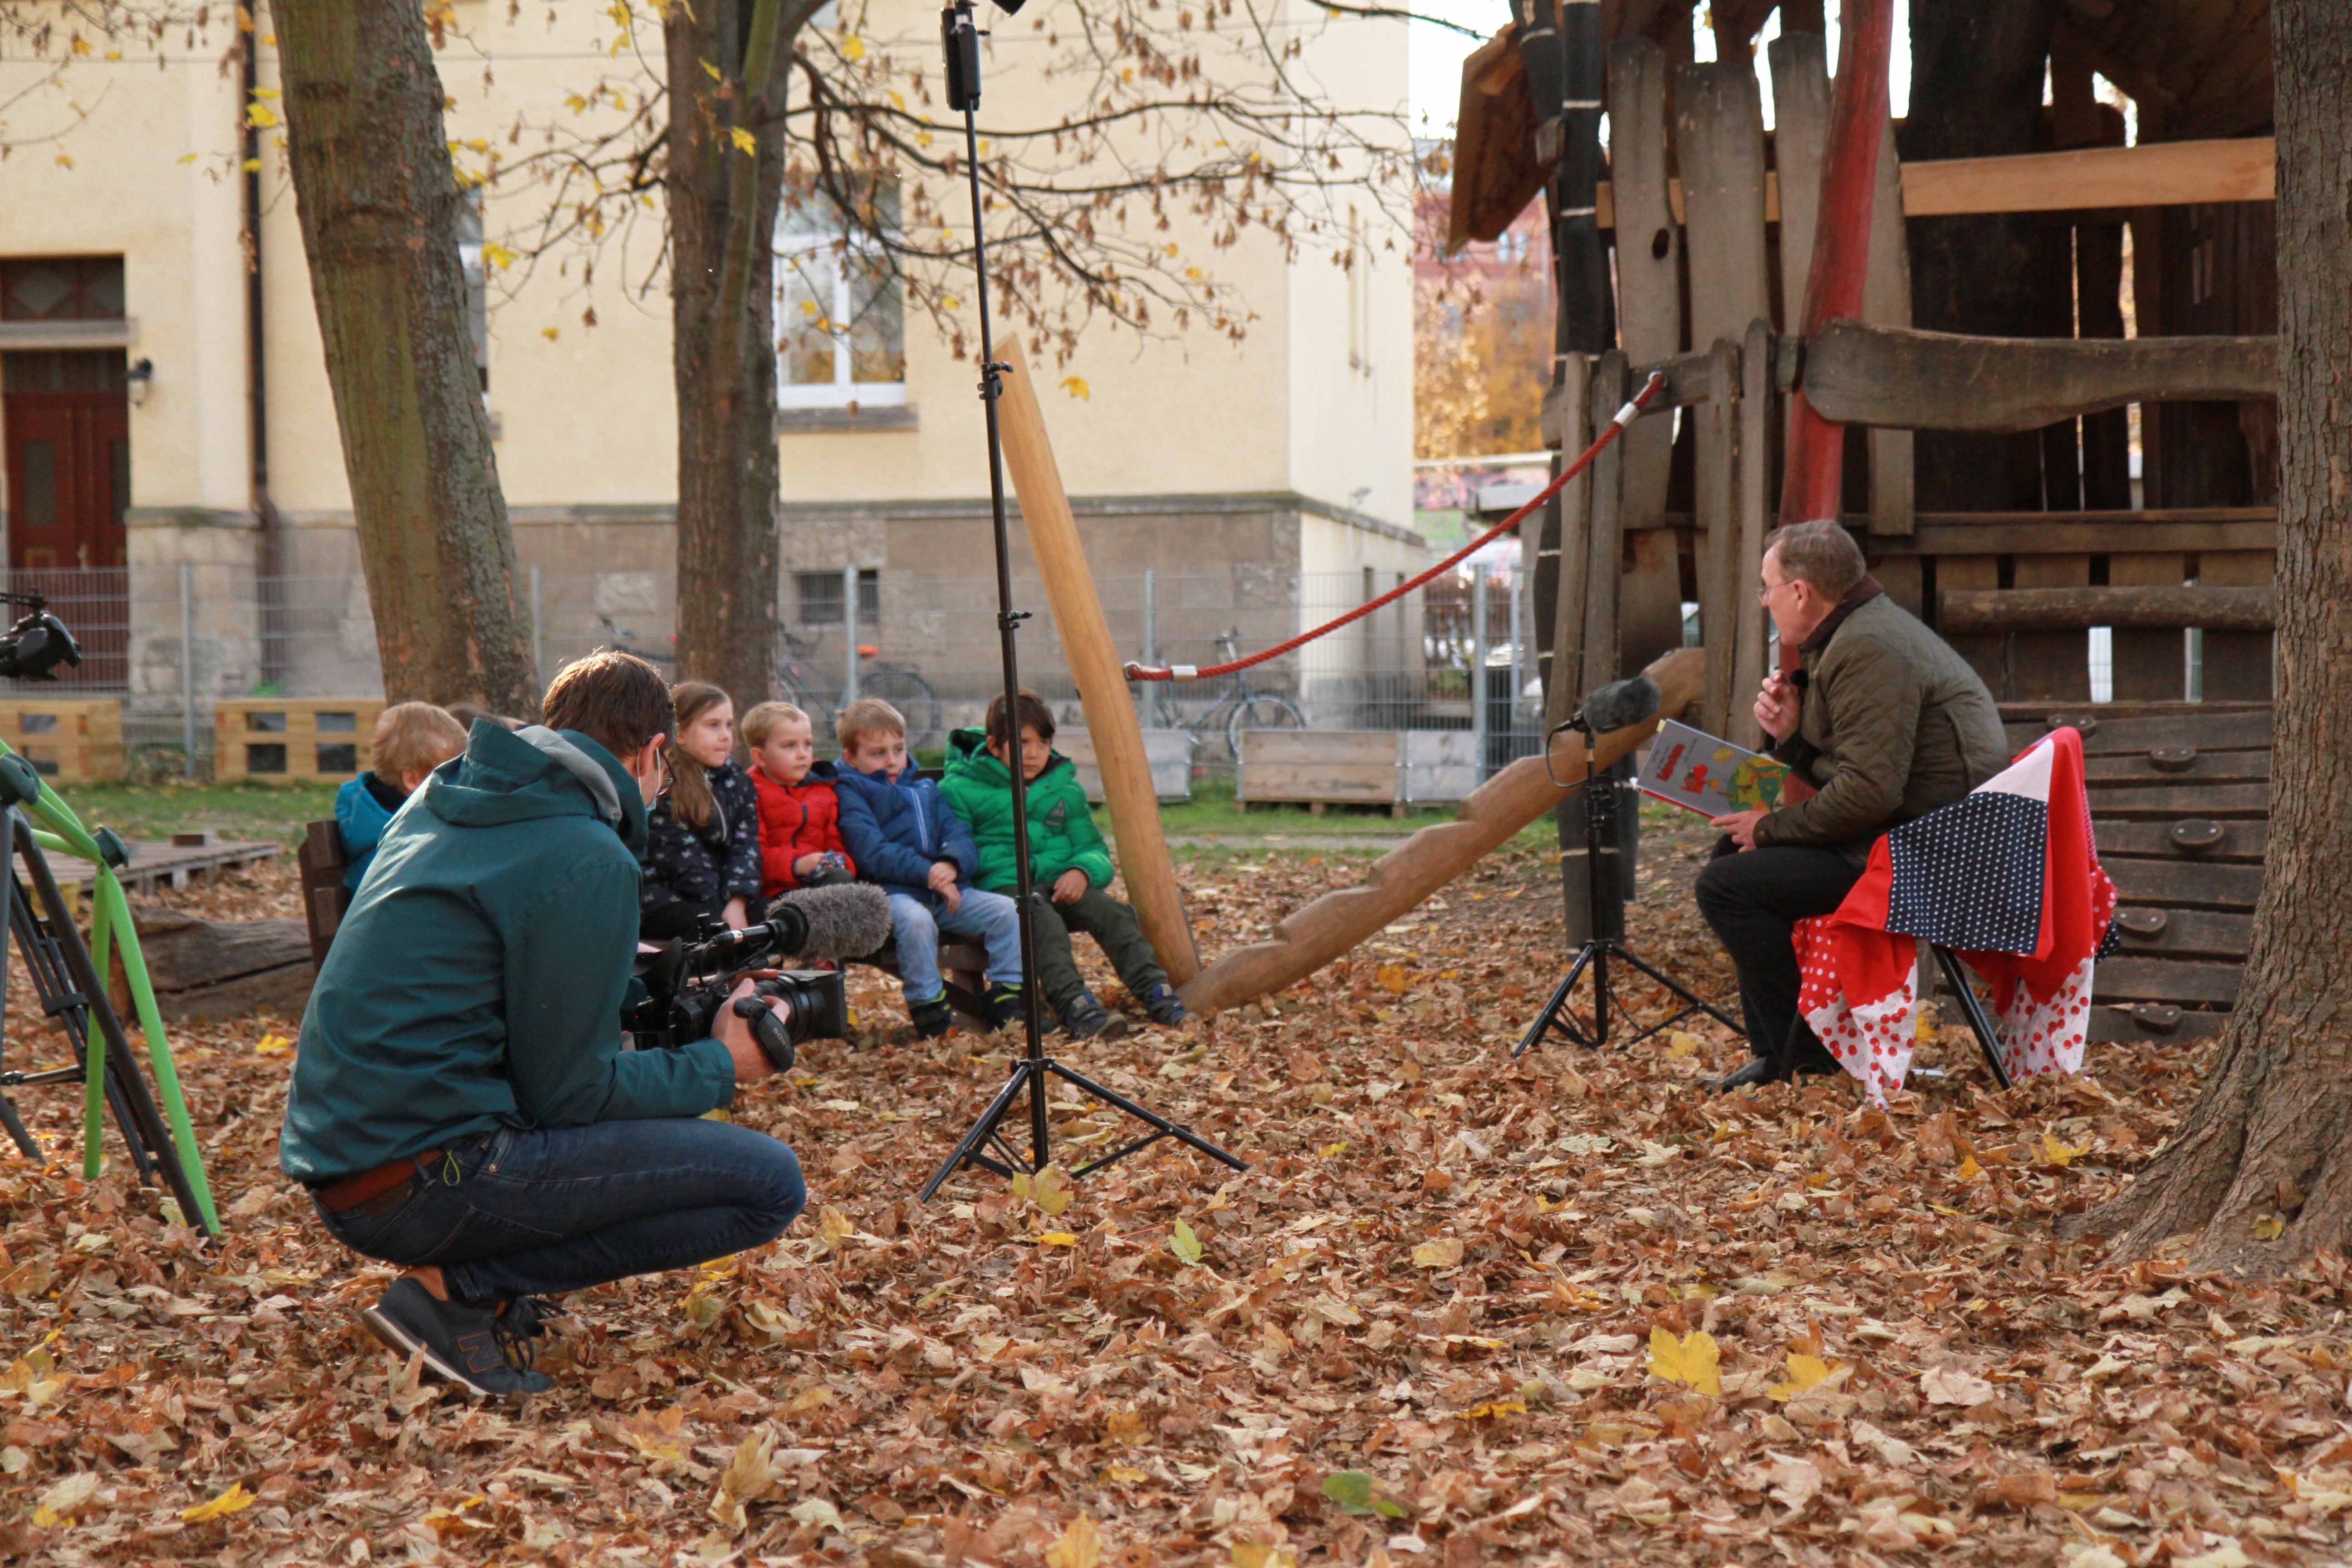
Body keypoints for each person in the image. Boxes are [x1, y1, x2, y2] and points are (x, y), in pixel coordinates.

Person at [279, 650, 806, 1402]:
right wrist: (723, 1063)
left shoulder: (452, 796)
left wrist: (648, 998)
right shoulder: (582, 849)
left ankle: (467, 1281)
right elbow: (570, 1093)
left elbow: (489, 990)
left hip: (351, 1164)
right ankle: (454, 1288)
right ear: (653, 753)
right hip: (422, 1181)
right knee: (767, 1183)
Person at [1695, 518, 2010, 1091]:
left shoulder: (1868, 646)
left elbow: (1870, 791)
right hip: (1906, 834)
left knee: (1728, 885)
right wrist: (1792, 736)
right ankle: (1782, 1055)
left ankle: (1804, 1061)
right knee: (1728, 861)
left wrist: (1770, 828)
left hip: (1925, 857)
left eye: (1767, 587)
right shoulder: (1859, 632)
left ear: (1801, 592)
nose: (1764, 600)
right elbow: (1867, 772)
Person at [941, 691, 1189, 1039]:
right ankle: (1075, 1006)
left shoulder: (1063, 789)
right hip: (1002, 888)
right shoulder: (960, 789)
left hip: (1058, 882)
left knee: (1112, 912)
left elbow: (1093, 848)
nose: (1034, 753)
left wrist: (1082, 871)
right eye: (1023, 743)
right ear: (995, 746)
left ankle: (1157, 994)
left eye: (1043, 743)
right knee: (1039, 916)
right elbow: (959, 851)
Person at [830, 696, 1025, 1038]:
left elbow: (958, 833)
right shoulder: (851, 793)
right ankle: (930, 1010)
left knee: (1008, 911)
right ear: (851, 757)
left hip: (945, 891)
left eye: (898, 749)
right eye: (878, 753)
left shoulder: (925, 789)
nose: (892, 761)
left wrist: (952, 863)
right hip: (889, 895)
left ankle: (1008, 997)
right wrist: (931, 874)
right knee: (916, 922)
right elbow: (873, 852)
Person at [641, 682, 763, 941]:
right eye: (713, 725)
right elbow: (683, 859)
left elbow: (745, 846)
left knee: (767, 924)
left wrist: (738, 901)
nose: (725, 735)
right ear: (681, 734)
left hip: (721, 893)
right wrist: (720, 914)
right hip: (666, 894)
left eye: (729, 725)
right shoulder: (663, 781)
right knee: (712, 932)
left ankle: (762, 981)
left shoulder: (738, 781)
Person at [334, 703, 469, 889]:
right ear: (412, 780)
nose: (462, 784)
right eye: (451, 774)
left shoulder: (384, 822)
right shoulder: (400, 840)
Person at [742, 700, 857, 897]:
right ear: (760, 757)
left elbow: (834, 842)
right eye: (790, 746)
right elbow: (752, 855)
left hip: (821, 881)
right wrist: (797, 865)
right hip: (774, 892)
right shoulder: (750, 793)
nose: (803, 754)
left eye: (808, 744)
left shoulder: (823, 791)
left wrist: (840, 861)